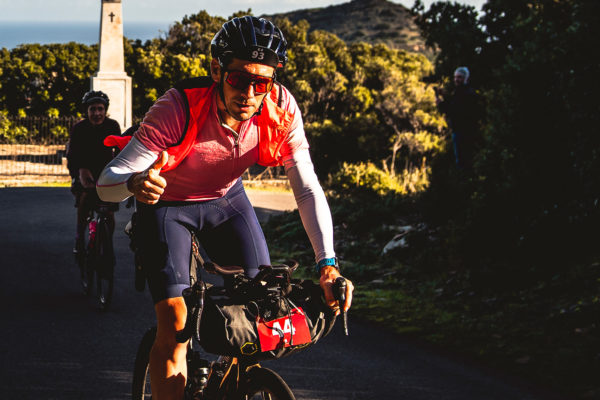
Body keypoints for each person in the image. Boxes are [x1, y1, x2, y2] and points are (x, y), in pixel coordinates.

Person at [97, 16, 354, 400]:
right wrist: (134, 184)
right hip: (168, 208)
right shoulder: (178, 108)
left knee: (264, 306)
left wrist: (327, 265)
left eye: (261, 83)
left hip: (227, 202)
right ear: (217, 70)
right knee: (176, 323)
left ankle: (227, 376)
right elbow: (106, 183)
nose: (249, 93)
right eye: (238, 78)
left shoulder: (281, 108)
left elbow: (306, 187)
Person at [66, 90, 121, 256]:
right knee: (84, 200)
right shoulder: (79, 129)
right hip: (84, 170)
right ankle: (79, 236)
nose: (97, 113)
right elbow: (72, 155)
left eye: (100, 109)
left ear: (105, 110)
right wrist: (78, 173)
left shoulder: (112, 126)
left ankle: (107, 242)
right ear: (87, 111)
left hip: (107, 172)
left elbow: (120, 151)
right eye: (93, 109)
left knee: (109, 213)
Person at [435, 66, 480, 169]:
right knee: (464, 159)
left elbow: (455, 111)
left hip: (462, 132)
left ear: (465, 78)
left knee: (463, 161)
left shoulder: (466, 93)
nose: (456, 79)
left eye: (459, 77)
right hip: (462, 130)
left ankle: (464, 177)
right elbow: (454, 102)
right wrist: (444, 95)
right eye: (455, 77)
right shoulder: (463, 91)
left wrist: (440, 104)